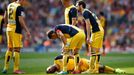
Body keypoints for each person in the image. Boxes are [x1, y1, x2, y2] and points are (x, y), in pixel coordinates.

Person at [2, 0, 31, 74]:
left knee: (9, 48)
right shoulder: (19, 7)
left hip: (8, 29)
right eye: (24, 1)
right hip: (16, 30)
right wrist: (27, 30)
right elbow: (20, 20)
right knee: (17, 49)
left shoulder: (9, 5)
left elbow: (5, 17)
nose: (25, 3)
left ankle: (5, 67)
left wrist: (6, 25)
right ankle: (16, 69)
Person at [76, 0, 104, 73]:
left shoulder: (85, 12)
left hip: (96, 31)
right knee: (96, 51)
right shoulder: (88, 12)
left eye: (77, 5)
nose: (76, 7)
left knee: (93, 51)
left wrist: (88, 37)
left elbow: (88, 24)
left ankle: (91, 69)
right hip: (99, 30)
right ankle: (96, 69)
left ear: (81, 6)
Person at [46, 55, 125, 74]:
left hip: (82, 61)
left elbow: (67, 55)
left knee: (99, 66)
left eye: (49, 69)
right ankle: (113, 72)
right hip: (81, 69)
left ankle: (115, 70)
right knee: (99, 70)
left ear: (49, 66)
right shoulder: (62, 71)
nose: (51, 70)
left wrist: (76, 59)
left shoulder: (57, 59)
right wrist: (77, 70)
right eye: (50, 72)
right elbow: (72, 72)